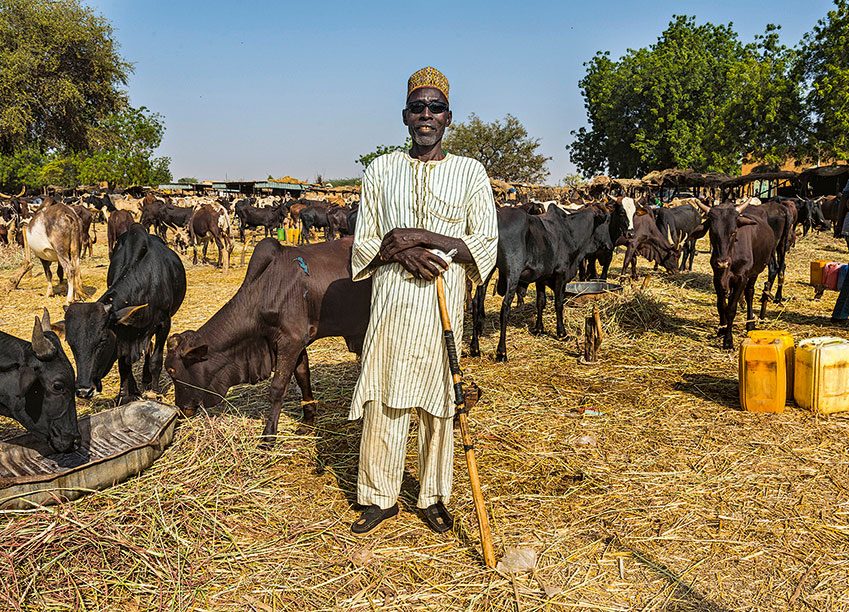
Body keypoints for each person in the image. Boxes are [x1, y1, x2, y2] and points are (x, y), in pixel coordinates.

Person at [348, 67, 498, 534]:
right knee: (385, 398)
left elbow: (485, 244)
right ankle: (379, 496)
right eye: (418, 108)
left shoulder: (470, 173)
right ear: (405, 116)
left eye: (435, 108)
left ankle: (432, 496)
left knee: (439, 401)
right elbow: (365, 243)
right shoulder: (381, 170)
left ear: (448, 117)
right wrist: (400, 251)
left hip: (442, 306)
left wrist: (423, 238)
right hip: (392, 303)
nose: (426, 115)